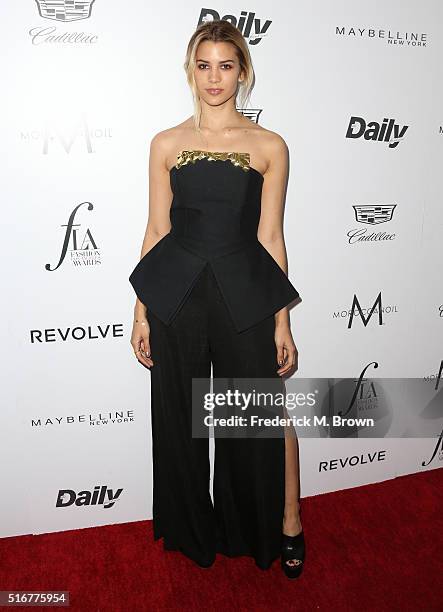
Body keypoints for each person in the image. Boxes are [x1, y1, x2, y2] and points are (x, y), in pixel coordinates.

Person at [129, 19, 305, 579]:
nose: (214, 78)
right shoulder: (166, 143)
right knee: (180, 419)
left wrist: (281, 321)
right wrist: (140, 310)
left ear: (243, 72)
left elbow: (271, 237)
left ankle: (282, 523)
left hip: (243, 295)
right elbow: (156, 231)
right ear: (190, 70)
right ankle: (192, 530)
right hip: (176, 297)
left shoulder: (268, 145)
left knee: (253, 416)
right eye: (203, 65)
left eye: (225, 66)